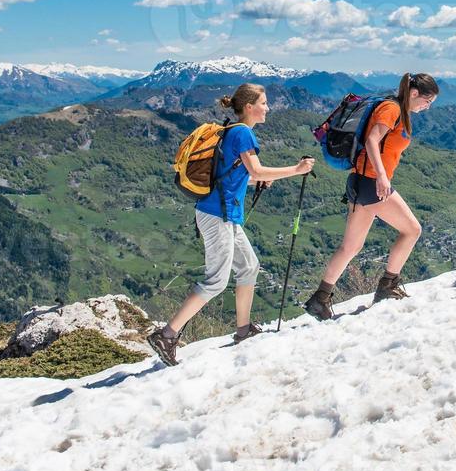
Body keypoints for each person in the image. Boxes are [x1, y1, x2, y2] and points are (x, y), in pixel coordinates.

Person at [147, 84, 314, 366]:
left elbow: (236, 175)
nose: (268, 108)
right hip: (217, 216)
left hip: (221, 213)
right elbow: (257, 169)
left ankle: (243, 329)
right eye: (264, 103)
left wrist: (256, 179)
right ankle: (166, 334)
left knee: (249, 265)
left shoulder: (231, 131)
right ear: (249, 107)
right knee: (216, 281)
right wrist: (296, 170)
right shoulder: (243, 133)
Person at [304, 73, 440, 320]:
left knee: (350, 247)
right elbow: (371, 140)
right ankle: (388, 286)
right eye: (427, 101)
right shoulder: (392, 108)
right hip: (371, 183)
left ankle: (319, 299)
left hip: (359, 183)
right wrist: (381, 176)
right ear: (414, 94)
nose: (428, 107)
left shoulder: (397, 110)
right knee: (412, 230)